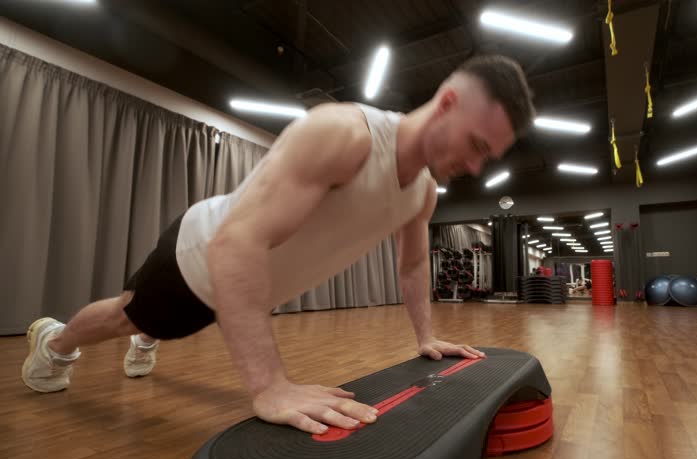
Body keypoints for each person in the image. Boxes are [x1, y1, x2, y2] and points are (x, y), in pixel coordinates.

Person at [21, 54, 536, 435]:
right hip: (198, 258)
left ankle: (145, 338)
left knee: (152, 326)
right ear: (447, 104)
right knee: (127, 316)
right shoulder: (344, 135)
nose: (474, 167)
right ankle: (56, 343)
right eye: (476, 145)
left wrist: (425, 337)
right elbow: (233, 246)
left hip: (244, 282)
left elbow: (413, 263)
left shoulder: (422, 192)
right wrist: (269, 386)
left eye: (486, 156)